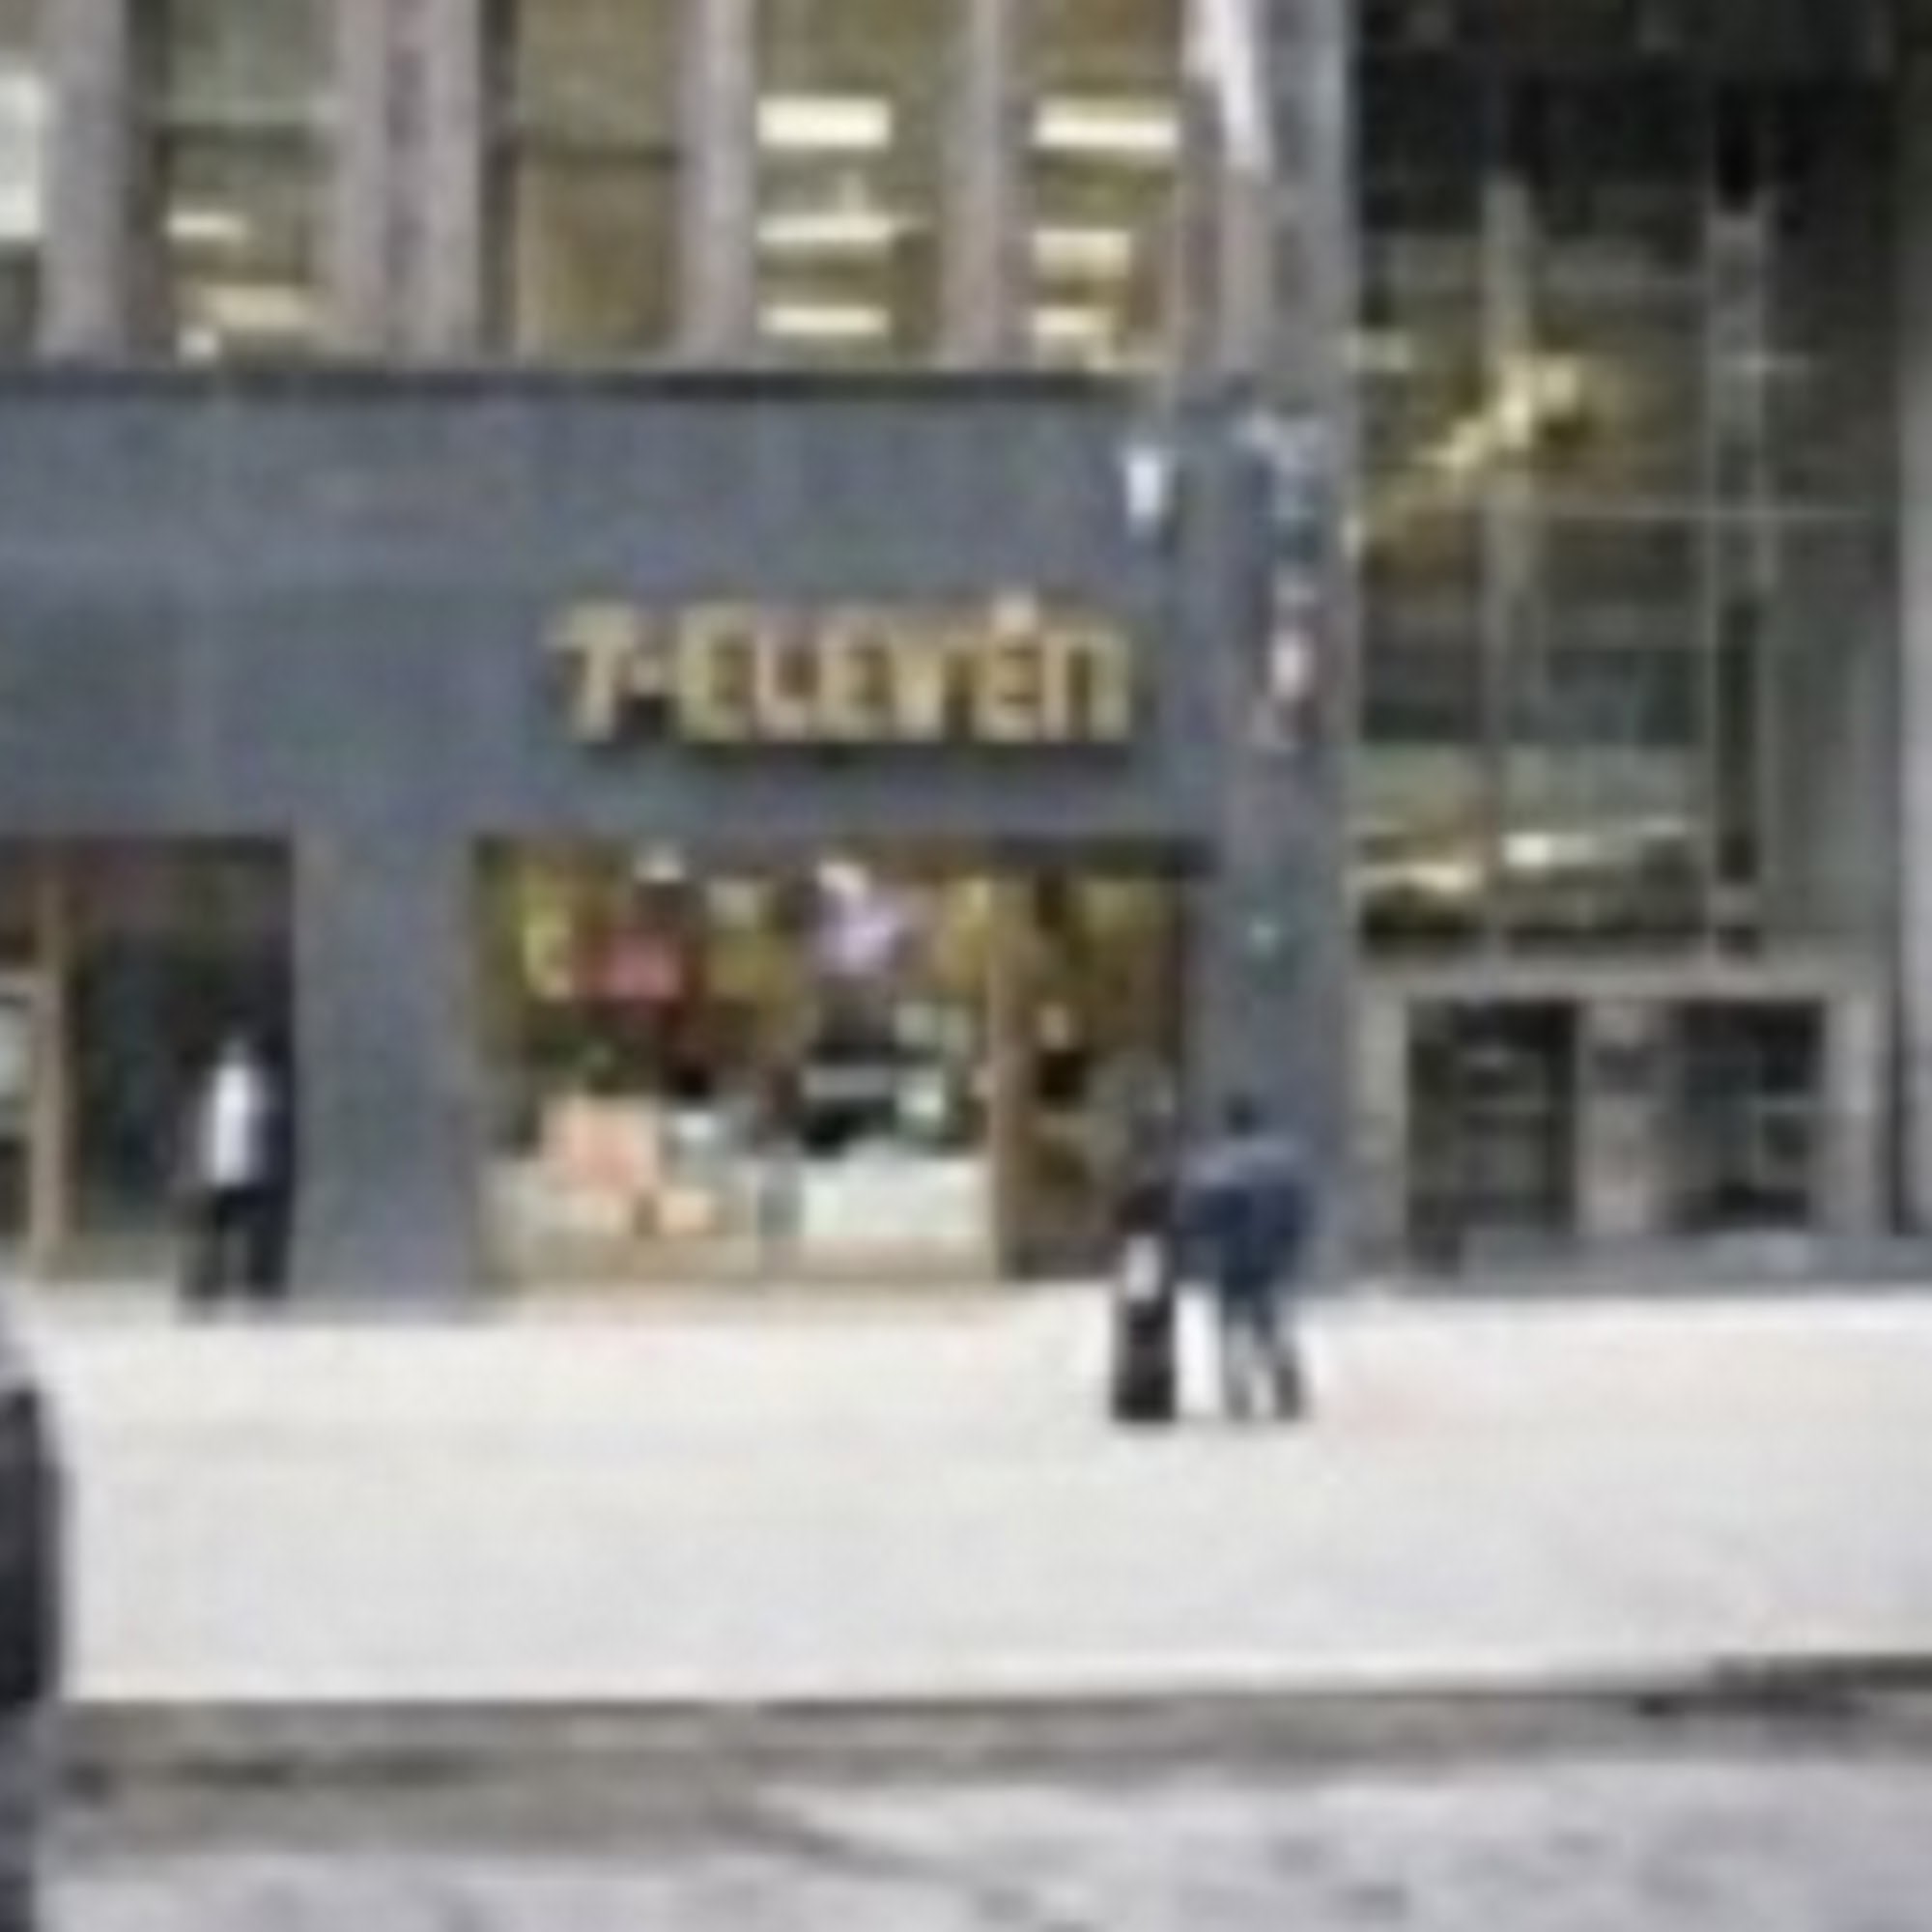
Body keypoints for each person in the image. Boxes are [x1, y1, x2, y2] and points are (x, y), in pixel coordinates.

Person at [1179, 1094, 1312, 1423]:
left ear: (1229, 1124)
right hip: (1273, 1254)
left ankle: (1239, 1392)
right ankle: (1286, 1385)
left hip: (1231, 1256)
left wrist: (1193, 1240)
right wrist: (1291, 1242)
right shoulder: (1285, 1161)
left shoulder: (1215, 1161)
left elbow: (1200, 1212)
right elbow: (1301, 1209)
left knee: (1231, 1323)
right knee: (1273, 1318)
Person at [181, 1032, 284, 1309]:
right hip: (240, 1171)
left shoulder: (218, 1088)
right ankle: (242, 1284)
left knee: (217, 1233)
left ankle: (210, 1285)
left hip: (224, 1171)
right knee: (240, 1232)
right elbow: (264, 1128)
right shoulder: (256, 1087)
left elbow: (202, 1130)